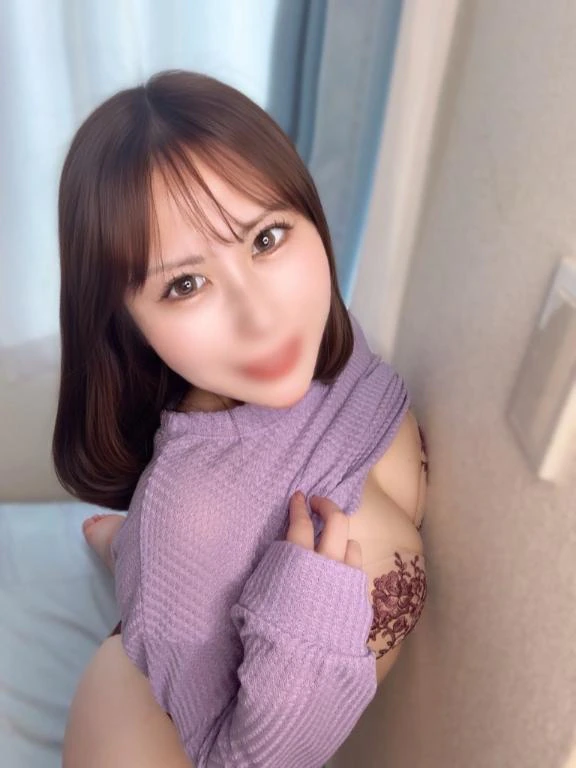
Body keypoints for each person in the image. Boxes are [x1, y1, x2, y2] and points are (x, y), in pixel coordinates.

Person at [52, 70, 428, 768]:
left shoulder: (326, 337)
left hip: (170, 576)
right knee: (157, 563)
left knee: (150, 560)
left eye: (266, 238)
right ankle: (129, 556)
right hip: (140, 734)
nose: (262, 318)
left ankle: (119, 547)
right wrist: (302, 630)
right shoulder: (185, 522)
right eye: (185, 284)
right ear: (126, 323)